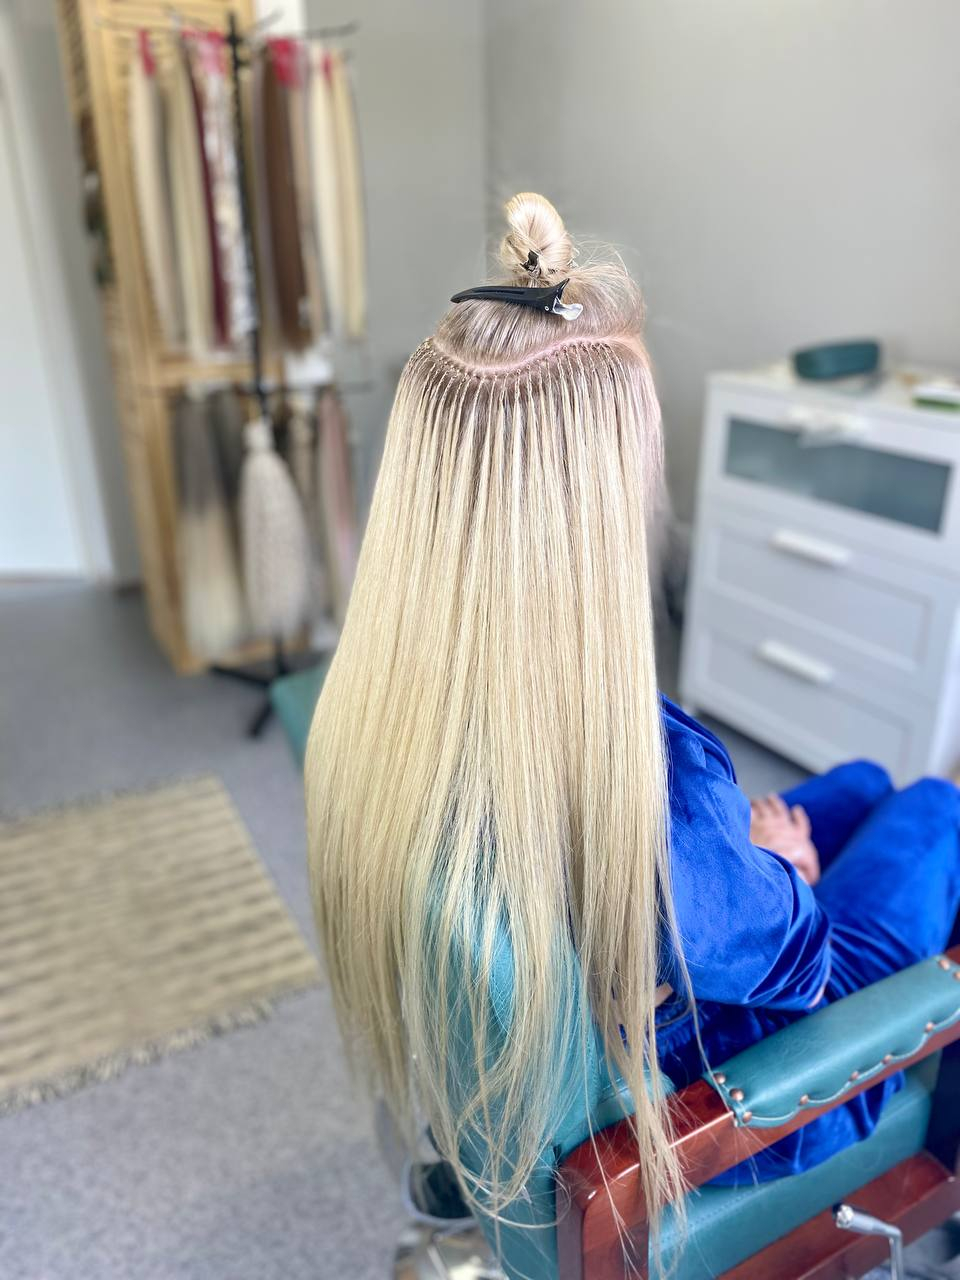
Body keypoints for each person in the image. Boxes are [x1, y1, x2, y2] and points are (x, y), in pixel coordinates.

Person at [304, 192, 960, 1272]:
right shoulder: (649, 778)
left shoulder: (383, 711)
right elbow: (793, 967)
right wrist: (781, 869)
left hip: (625, 957)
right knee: (933, 806)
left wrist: (747, 855)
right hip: (725, 1085)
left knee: (856, 784)